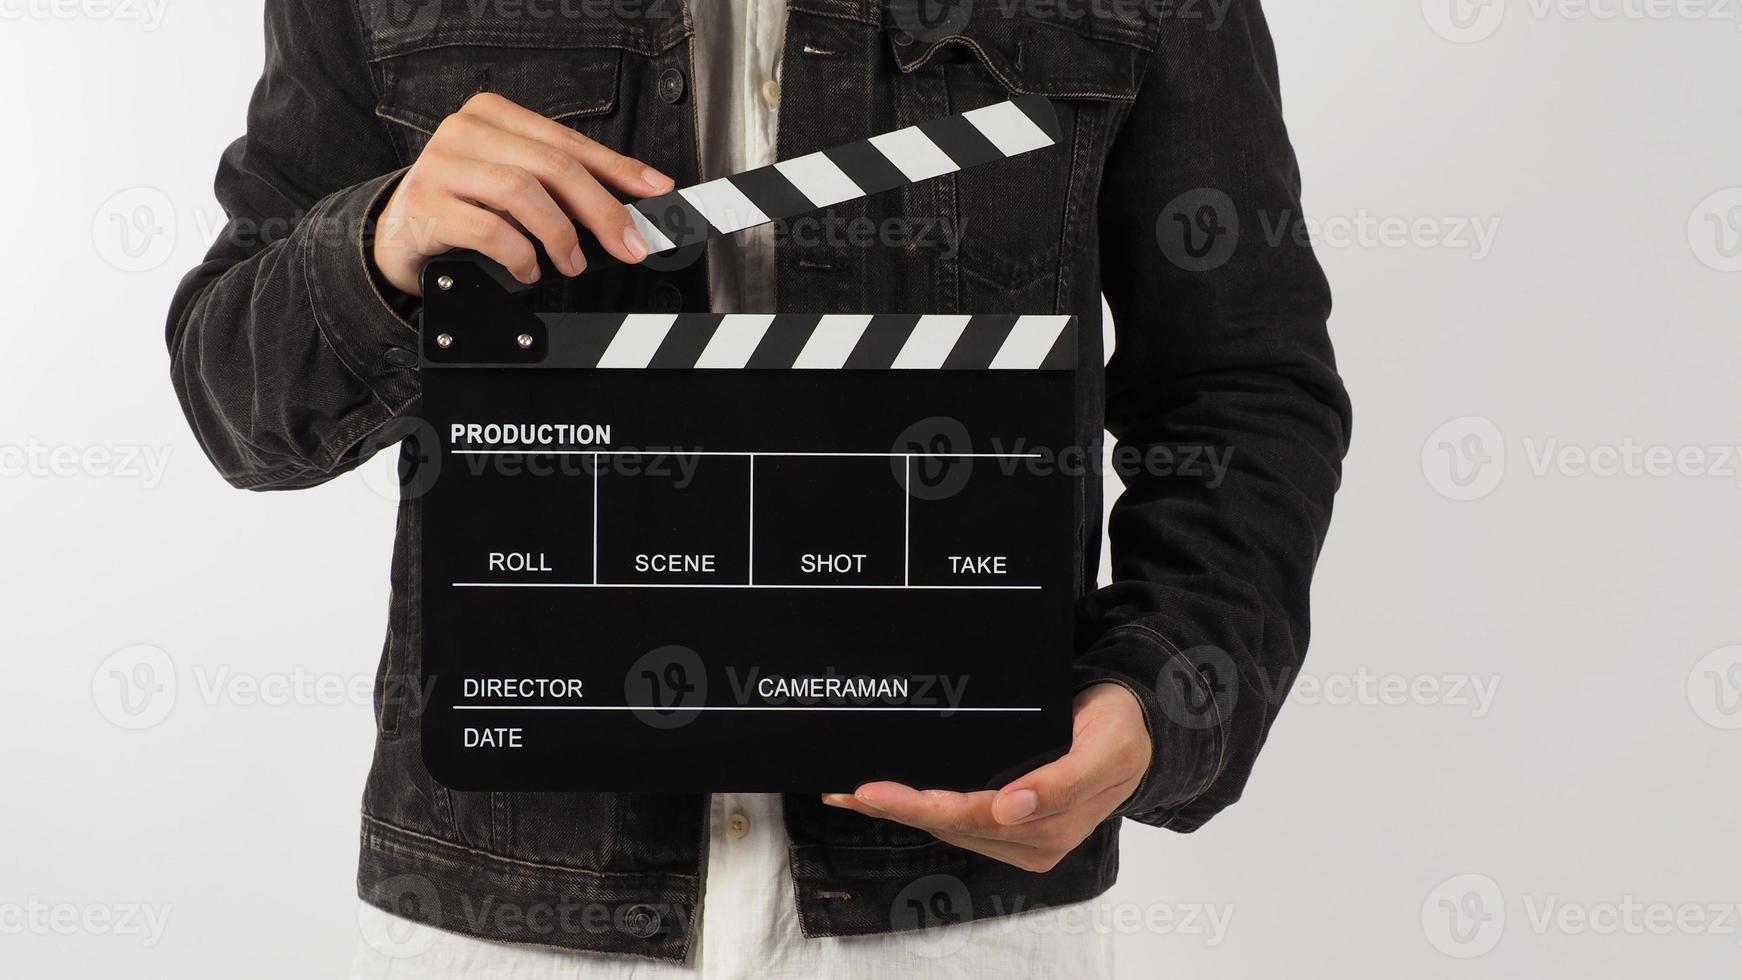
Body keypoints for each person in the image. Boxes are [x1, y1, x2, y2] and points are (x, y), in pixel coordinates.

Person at [166, 0, 1351, 975]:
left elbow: (1240, 382)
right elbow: (233, 396)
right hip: (508, 905)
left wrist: (1157, 701)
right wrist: (378, 242)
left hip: (964, 901)